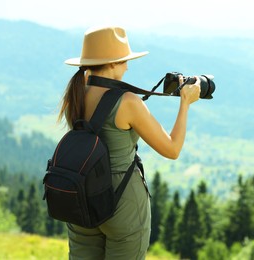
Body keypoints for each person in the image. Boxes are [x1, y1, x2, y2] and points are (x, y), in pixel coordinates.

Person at [58, 26, 201, 259]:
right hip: (122, 203)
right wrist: (185, 103)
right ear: (113, 63)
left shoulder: (74, 95)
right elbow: (172, 149)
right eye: (124, 59)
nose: (127, 65)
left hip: (82, 196)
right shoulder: (127, 101)